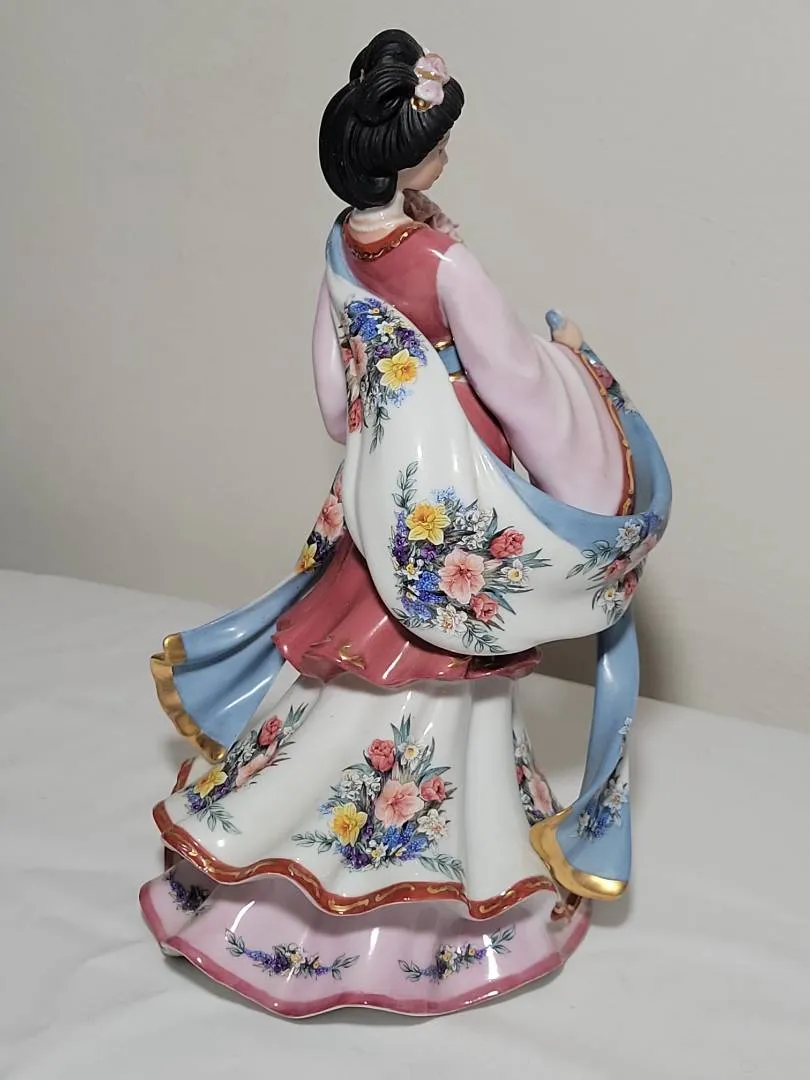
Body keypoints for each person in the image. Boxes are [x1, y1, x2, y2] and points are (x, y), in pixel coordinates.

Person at [140, 29, 671, 1018]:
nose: (447, 157)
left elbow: (334, 403)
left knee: (350, 646)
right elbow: (515, 381)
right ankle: (430, 886)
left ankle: (292, 848)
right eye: (438, 144)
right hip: (452, 481)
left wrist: (390, 411)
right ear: (408, 158)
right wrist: (576, 372)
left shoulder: (343, 242)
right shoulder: (444, 260)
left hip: (381, 484)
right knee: (450, 654)